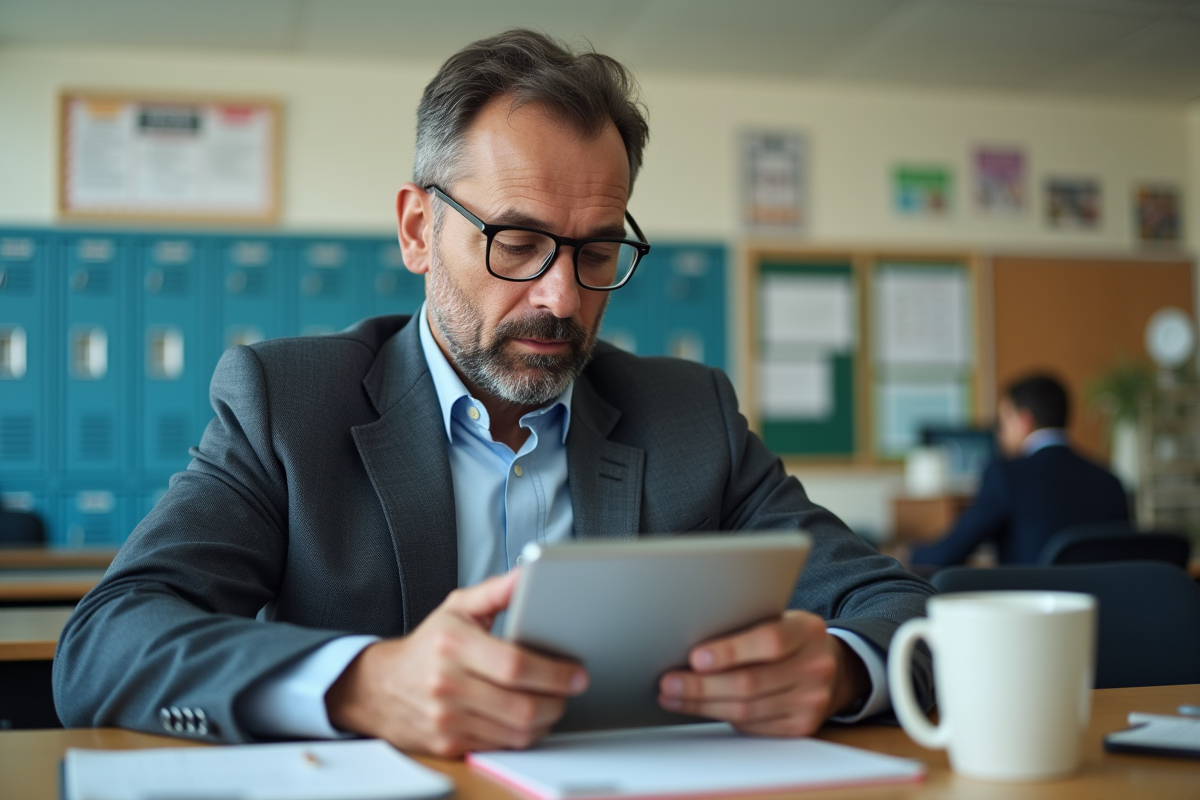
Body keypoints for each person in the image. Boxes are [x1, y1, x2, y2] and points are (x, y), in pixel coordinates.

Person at [54, 30, 934, 756]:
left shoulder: (688, 415)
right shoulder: (288, 404)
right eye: (516, 242)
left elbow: (900, 611)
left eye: (595, 252)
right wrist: (362, 684)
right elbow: (106, 643)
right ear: (416, 230)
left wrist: (844, 666)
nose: (561, 297)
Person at [912, 373, 1129, 567]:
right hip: (1102, 608)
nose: (1000, 434)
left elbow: (949, 553)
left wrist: (906, 553)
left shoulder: (1005, 475)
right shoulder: (1111, 481)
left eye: (1004, 421)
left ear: (1024, 420)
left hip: (1031, 608)